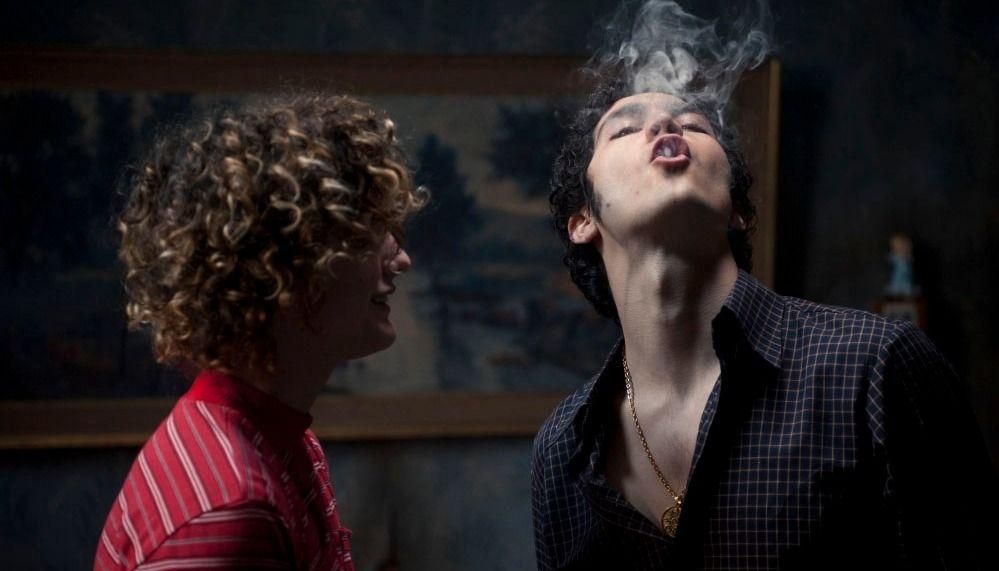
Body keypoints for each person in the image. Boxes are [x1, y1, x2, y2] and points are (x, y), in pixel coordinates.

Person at [531, 59, 997, 571]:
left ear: (737, 209)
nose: (664, 126)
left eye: (693, 125)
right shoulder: (563, 447)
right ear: (583, 220)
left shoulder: (876, 367)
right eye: (624, 130)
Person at [95, 93, 424, 570]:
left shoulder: (269, 436)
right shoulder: (229, 510)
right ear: (287, 268)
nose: (401, 260)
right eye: (365, 232)